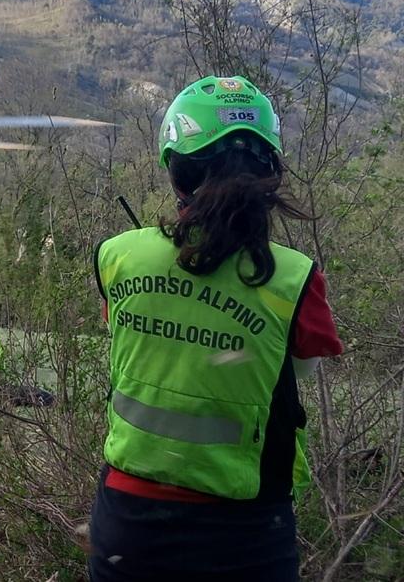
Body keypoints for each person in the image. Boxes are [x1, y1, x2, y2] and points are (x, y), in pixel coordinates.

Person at [89, 75, 343, 582]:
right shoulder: (295, 278)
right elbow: (301, 372)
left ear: (177, 170)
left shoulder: (117, 256)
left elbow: (126, 335)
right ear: (270, 170)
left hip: (128, 517)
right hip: (245, 527)